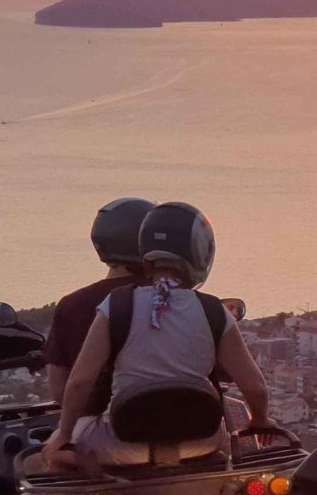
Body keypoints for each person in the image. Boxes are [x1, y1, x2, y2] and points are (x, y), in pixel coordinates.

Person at [42, 201, 273, 468]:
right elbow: (255, 386)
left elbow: (79, 382)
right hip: (201, 442)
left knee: (54, 457)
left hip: (120, 445)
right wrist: (260, 419)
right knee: (230, 456)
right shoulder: (213, 310)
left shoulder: (116, 305)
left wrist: (65, 434)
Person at [43, 197, 155, 408]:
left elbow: (61, 392)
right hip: (181, 425)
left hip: (101, 428)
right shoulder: (179, 298)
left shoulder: (74, 305)